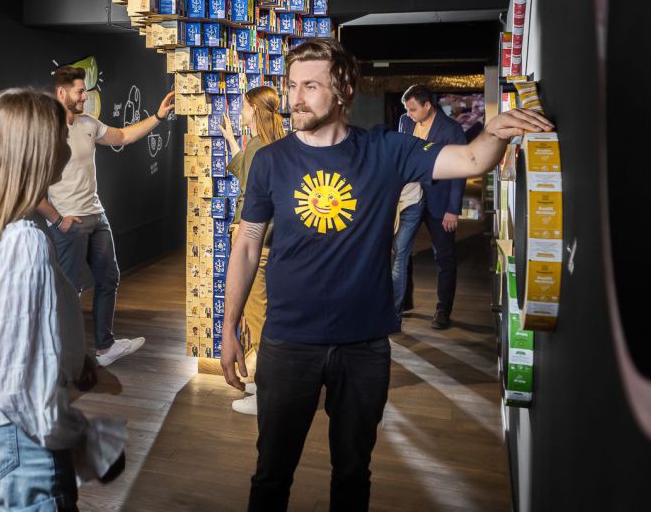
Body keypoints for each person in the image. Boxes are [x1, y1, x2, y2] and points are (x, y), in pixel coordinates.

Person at [220, 40, 552, 511]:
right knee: (272, 472)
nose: (296, 97)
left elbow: (473, 161)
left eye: (310, 85)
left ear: (343, 90)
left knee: (353, 472)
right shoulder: (272, 161)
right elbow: (248, 244)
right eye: (292, 85)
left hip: (364, 344)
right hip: (288, 341)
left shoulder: (387, 150)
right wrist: (230, 324)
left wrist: (495, 129)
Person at [0, 89, 126, 510]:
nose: (67, 143)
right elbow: (18, 388)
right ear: (40, 150)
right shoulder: (24, 243)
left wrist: (76, 363)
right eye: (60, 135)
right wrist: (79, 436)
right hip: (20, 446)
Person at [37, 65, 174, 367]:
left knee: (109, 278)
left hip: (96, 217)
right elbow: (31, 190)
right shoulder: (44, 130)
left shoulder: (87, 123)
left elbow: (122, 136)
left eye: (84, 90)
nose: (85, 96)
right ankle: (62, 360)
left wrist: (158, 116)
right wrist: (58, 220)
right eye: (79, 91)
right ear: (61, 93)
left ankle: (105, 348)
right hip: (68, 223)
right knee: (69, 292)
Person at [218, 85, 286, 416]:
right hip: (273, 242)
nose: (241, 113)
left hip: (253, 241)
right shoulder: (273, 144)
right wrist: (232, 139)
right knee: (266, 311)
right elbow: (245, 167)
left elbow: (247, 187)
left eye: (244, 107)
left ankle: (269, 397)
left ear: (254, 110)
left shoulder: (259, 146)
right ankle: (266, 383)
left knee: (258, 319)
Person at [394, 85, 468, 330]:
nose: (409, 113)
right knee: (402, 252)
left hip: (440, 201)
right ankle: (403, 301)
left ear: (428, 106)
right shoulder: (405, 122)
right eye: (407, 109)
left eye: (413, 109)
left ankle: (442, 310)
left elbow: (460, 170)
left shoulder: (451, 129)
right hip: (411, 198)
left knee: (444, 257)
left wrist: (453, 209)